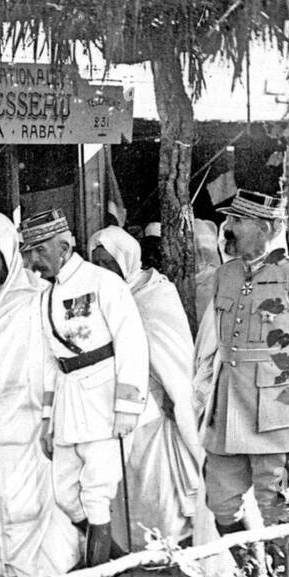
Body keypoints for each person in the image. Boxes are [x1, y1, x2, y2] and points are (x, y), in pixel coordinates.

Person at [21, 209, 148, 577]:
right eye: (28, 252)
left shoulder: (103, 283)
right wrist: (46, 418)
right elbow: (48, 361)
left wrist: (127, 407)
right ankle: (116, 562)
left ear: (65, 246)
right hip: (66, 399)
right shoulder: (46, 296)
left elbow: (132, 344)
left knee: (96, 494)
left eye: (40, 250)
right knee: (65, 495)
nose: (32, 260)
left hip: (104, 399)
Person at [0, 213, 78, 577]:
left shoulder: (36, 298)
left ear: (9, 256)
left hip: (27, 424)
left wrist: (50, 416)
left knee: (28, 506)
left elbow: (51, 363)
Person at [195, 190, 289, 557]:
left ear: (266, 227)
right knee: (221, 501)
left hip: (275, 406)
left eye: (238, 221)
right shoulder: (225, 274)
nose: (228, 228)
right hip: (227, 406)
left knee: (277, 504)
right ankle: (254, 576)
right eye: (229, 219)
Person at [88, 226, 202, 550]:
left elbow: (172, 351)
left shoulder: (154, 292)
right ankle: (136, 547)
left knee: (156, 480)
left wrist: (171, 391)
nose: (101, 270)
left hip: (156, 399)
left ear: (125, 260)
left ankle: (167, 545)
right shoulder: (99, 296)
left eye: (107, 263)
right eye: (95, 262)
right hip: (117, 399)